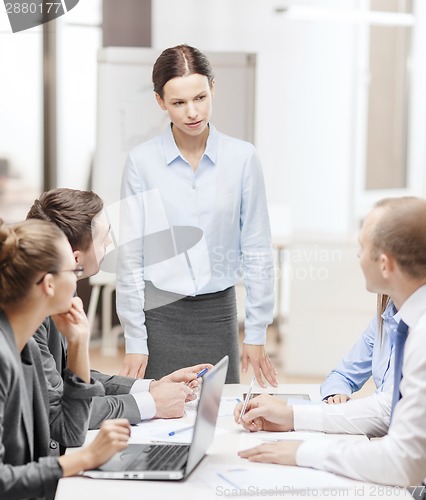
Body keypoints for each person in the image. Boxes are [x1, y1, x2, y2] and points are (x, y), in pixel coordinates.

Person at [235, 196, 426, 487]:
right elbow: (386, 408)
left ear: (385, 264)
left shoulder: (421, 334)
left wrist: (304, 450)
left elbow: (403, 463)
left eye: (362, 248)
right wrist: (291, 415)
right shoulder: (407, 319)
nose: (358, 256)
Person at [116, 44, 277, 387]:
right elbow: (130, 258)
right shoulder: (141, 162)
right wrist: (134, 338)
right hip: (159, 317)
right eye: (178, 103)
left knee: (218, 422)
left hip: (218, 315)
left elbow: (257, 248)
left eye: (200, 98)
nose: (192, 112)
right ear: (160, 101)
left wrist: (257, 329)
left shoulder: (243, 159)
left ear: (213, 89)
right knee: (159, 424)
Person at [27, 188, 211, 434]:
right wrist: (152, 404)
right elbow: (59, 412)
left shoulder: (58, 285)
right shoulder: (27, 317)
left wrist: (150, 389)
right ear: (75, 259)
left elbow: (67, 379)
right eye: (104, 236)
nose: (109, 243)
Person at [0, 217, 131, 500]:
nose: (77, 278)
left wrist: (79, 342)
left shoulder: (26, 349)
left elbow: (68, 431)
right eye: (73, 270)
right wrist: (84, 459)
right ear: (48, 284)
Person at [321, 294, 399, 404]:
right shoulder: (385, 318)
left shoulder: (419, 327)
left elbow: (387, 406)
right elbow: (343, 375)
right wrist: (336, 395)